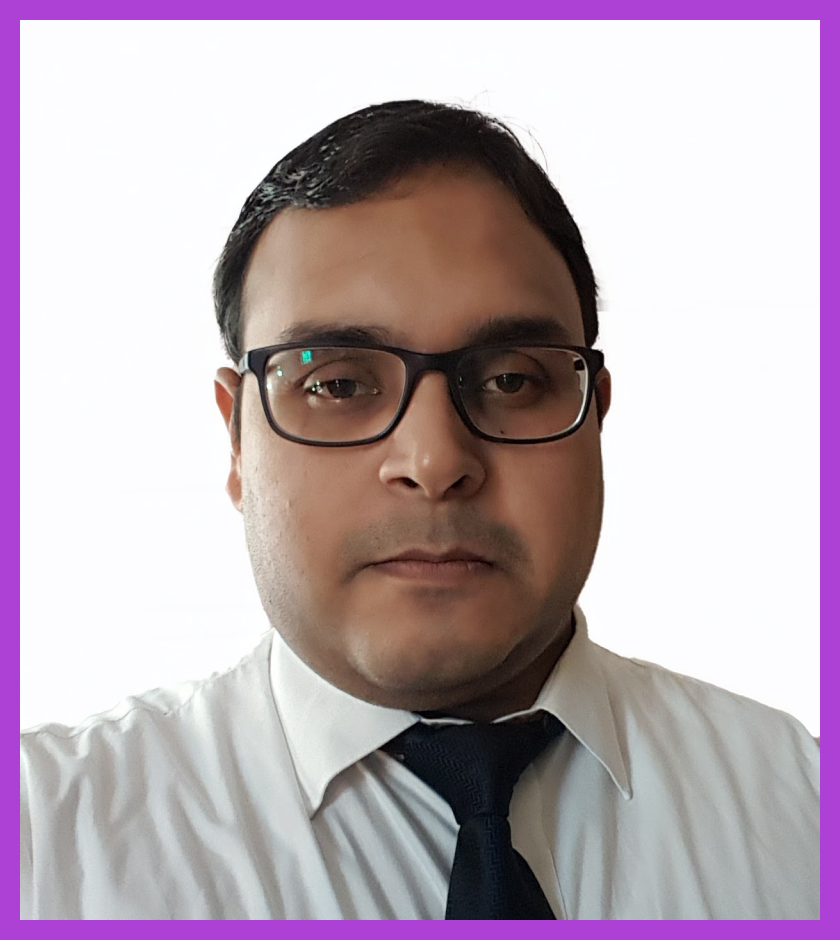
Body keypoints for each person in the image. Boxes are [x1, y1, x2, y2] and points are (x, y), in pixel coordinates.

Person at [20, 99, 819, 920]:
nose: (435, 462)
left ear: (596, 412)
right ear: (236, 439)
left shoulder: (806, 809)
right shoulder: (42, 845)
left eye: (511, 379)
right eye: (336, 383)